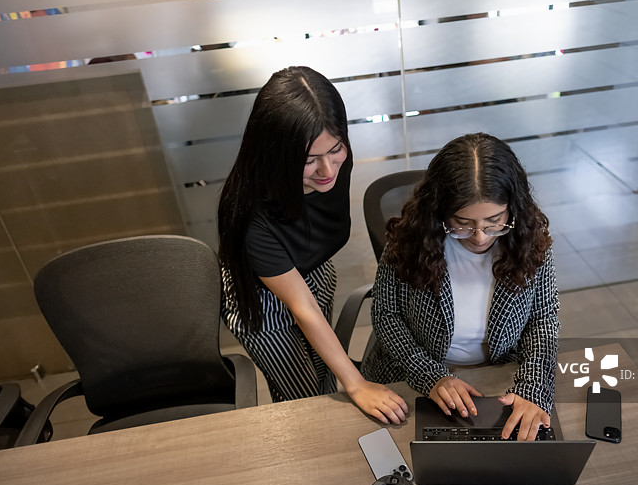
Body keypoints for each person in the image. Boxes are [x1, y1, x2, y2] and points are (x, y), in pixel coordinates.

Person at [217, 66, 407, 424]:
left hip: (313, 271)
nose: (327, 170)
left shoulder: (335, 160)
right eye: (308, 160)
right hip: (260, 300)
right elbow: (300, 305)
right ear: (277, 154)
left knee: (322, 373)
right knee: (306, 396)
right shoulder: (250, 216)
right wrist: (357, 383)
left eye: (335, 149)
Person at [361, 132, 559, 440]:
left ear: (513, 207)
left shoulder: (528, 241)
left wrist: (533, 387)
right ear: (439, 210)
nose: (480, 237)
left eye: (494, 220)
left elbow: (543, 319)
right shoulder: (409, 241)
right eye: (463, 223)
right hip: (412, 379)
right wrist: (431, 376)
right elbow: (387, 316)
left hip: (499, 377)